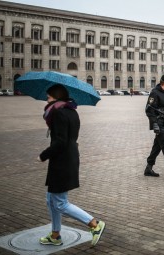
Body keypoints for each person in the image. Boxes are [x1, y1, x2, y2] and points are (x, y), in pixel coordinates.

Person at [37, 84, 105, 246]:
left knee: (60, 202)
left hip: (62, 160)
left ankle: (94, 224)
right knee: (50, 199)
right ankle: (55, 235)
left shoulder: (59, 113)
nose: (47, 99)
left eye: (49, 96)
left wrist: (43, 155)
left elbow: (60, 142)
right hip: (68, 157)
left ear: (56, 97)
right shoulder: (71, 111)